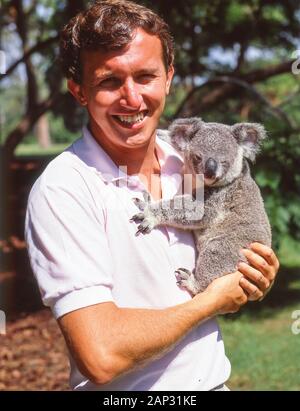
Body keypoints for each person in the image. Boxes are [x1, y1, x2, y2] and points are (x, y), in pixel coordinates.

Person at [25, 0, 279, 391]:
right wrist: (211, 301)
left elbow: (235, 227)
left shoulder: (190, 155)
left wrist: (254, 276)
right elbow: (101, 355)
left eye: (145, 76)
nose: (132, 98)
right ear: (78, 90)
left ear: (168, 77)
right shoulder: (64, 189)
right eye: (110, 81)